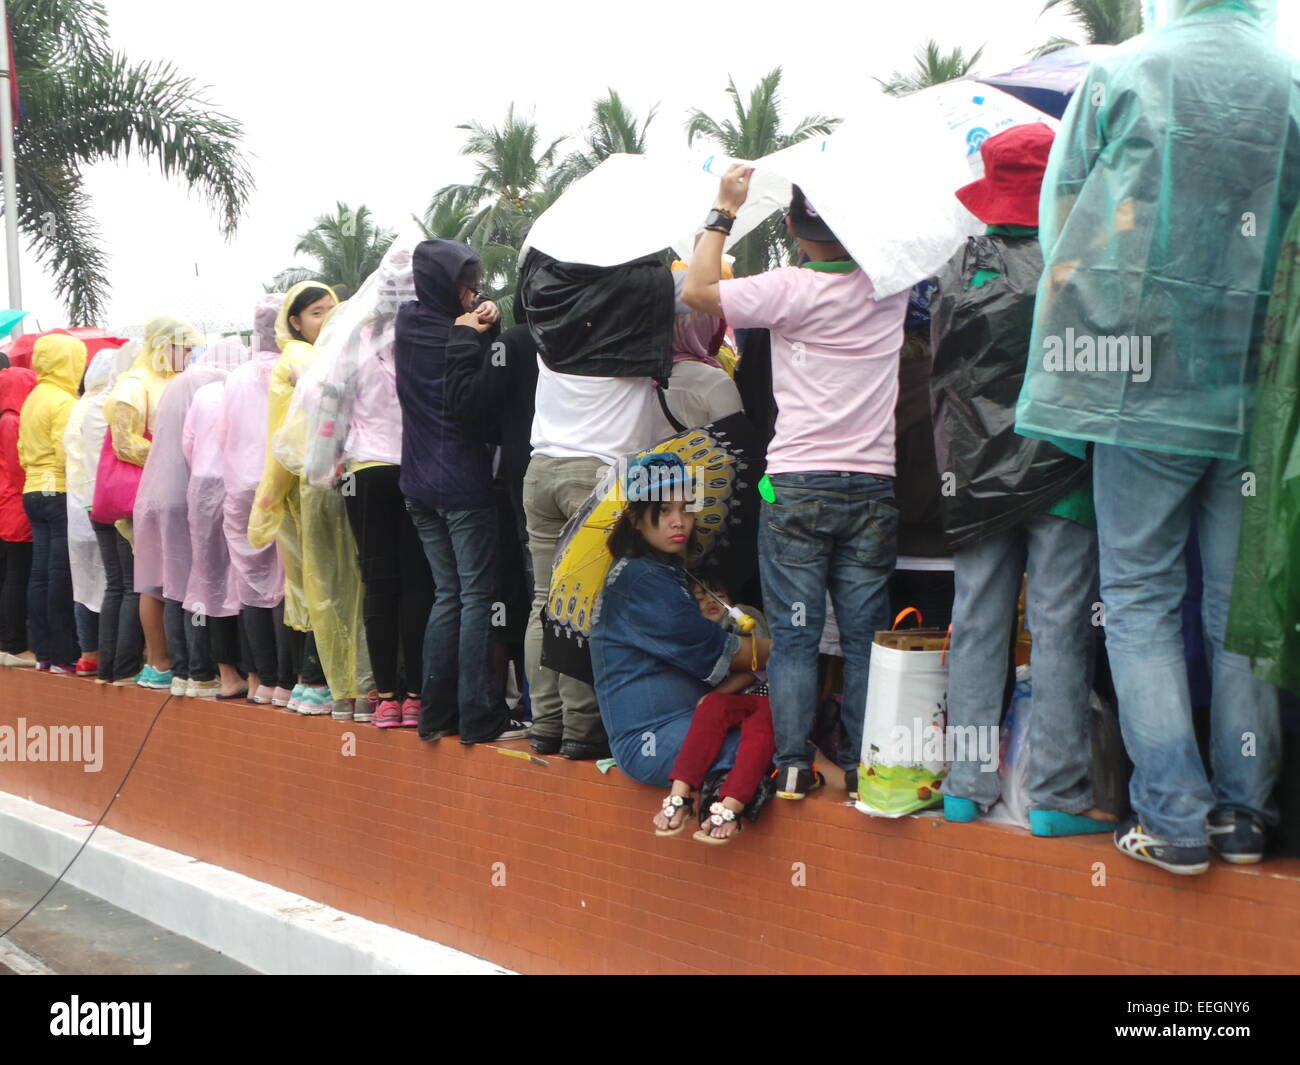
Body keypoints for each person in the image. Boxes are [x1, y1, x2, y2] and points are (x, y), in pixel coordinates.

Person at [1014, 0, 1300, 873]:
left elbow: (1065, 225)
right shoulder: (1291, 83)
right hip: (1256, 392)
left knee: (1136, 597)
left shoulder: (1125, 71)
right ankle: (1244, 815)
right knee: (1234, 601)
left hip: (1140, 383)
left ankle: (1173, 814)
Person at [684, 169, 909, 802]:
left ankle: (790, 767)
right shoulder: (889, 287)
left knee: (794, 635)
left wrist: (725, 210)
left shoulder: (786, 289)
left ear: (791, 228)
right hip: (871, 488)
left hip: (795, 490)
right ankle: (867, 769)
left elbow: (699, 289)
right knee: (867, 639)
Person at [930, 122, 1109, 837]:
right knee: (1060, 627)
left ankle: (964, 786)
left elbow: (942, 379)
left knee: (976, 619)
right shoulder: (1079, 259)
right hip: (1061, 473)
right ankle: (1057, 796)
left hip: (975, 481)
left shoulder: (956, 266)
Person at [518, 250, 669, 760]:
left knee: (546, 600)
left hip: (541, 470)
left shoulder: (549, 315)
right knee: (588, 604)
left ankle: (546, 724)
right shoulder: (636, 317)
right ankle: (583, 730)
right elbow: (698, 297)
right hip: (597, 477)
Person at [590, 453, 773, 841]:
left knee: (773, 725)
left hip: (688, 720)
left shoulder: (661, 571)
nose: (679, 521)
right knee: (773, 742)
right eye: (664, 510)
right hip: (651, 739)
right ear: (637, 520)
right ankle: (717, 807)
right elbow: (721, 653)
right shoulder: (643, 582)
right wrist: (791, 648)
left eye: (686, 509)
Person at [395, 239, 524, 743]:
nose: (472, 293)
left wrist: (476, 317)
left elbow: (457, 327)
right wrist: (472, 333)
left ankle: (434, 715)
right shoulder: (450, 337)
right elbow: (468, 395)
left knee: (447, 595)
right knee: (475, 597)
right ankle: (478, 715)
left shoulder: (409, 321)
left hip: (417, 483)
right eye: (465, 285)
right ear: (445, 286)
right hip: (462, 482)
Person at [248, 282, 338, 715]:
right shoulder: (303, 358)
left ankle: (303, 682)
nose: (327, 318)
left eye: (331, 309)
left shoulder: (297, 357)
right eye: (316, 313)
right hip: (308, 485)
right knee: (320, 583)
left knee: (302, 587)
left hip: (292, 486)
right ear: (295, 323)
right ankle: (316, 680)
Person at [104, 317, 203, 689]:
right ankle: (159, 662)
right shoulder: (134, 384)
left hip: (174, 491)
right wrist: (172, 455)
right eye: (185, 347)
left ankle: (163, 660)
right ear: (165, 346)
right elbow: (123, 442)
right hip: (150, 494)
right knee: (154, 582)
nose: (190, 355)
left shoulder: (175, 382)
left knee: (168, 579)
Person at [222, 297, 292, 706]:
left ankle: (262, 681)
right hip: (278, 481)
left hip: (239, 487)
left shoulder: (237, 376)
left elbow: (222, 434)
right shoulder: (293, 367)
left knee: (249, 585)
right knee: (284, 584)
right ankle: (285, 680)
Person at [17, 333, 86, 672]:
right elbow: (67, 453)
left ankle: (44, 652)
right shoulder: (63, 401)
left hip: (32, 489)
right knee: (61, 574)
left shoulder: (33, 397)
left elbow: (21, 450)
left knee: (40, 573)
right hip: (58, 490)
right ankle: (63, 654)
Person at [647, 263, 743, 438]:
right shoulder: (713, 382)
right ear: (705, 324)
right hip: (700, 466)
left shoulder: (639, 381)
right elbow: (738, 446)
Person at [0, 364, 36, 667]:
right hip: (14, 507)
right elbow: (17, 468)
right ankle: (14, 644)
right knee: (16, 576)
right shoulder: (12, 422)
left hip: (6, 506)